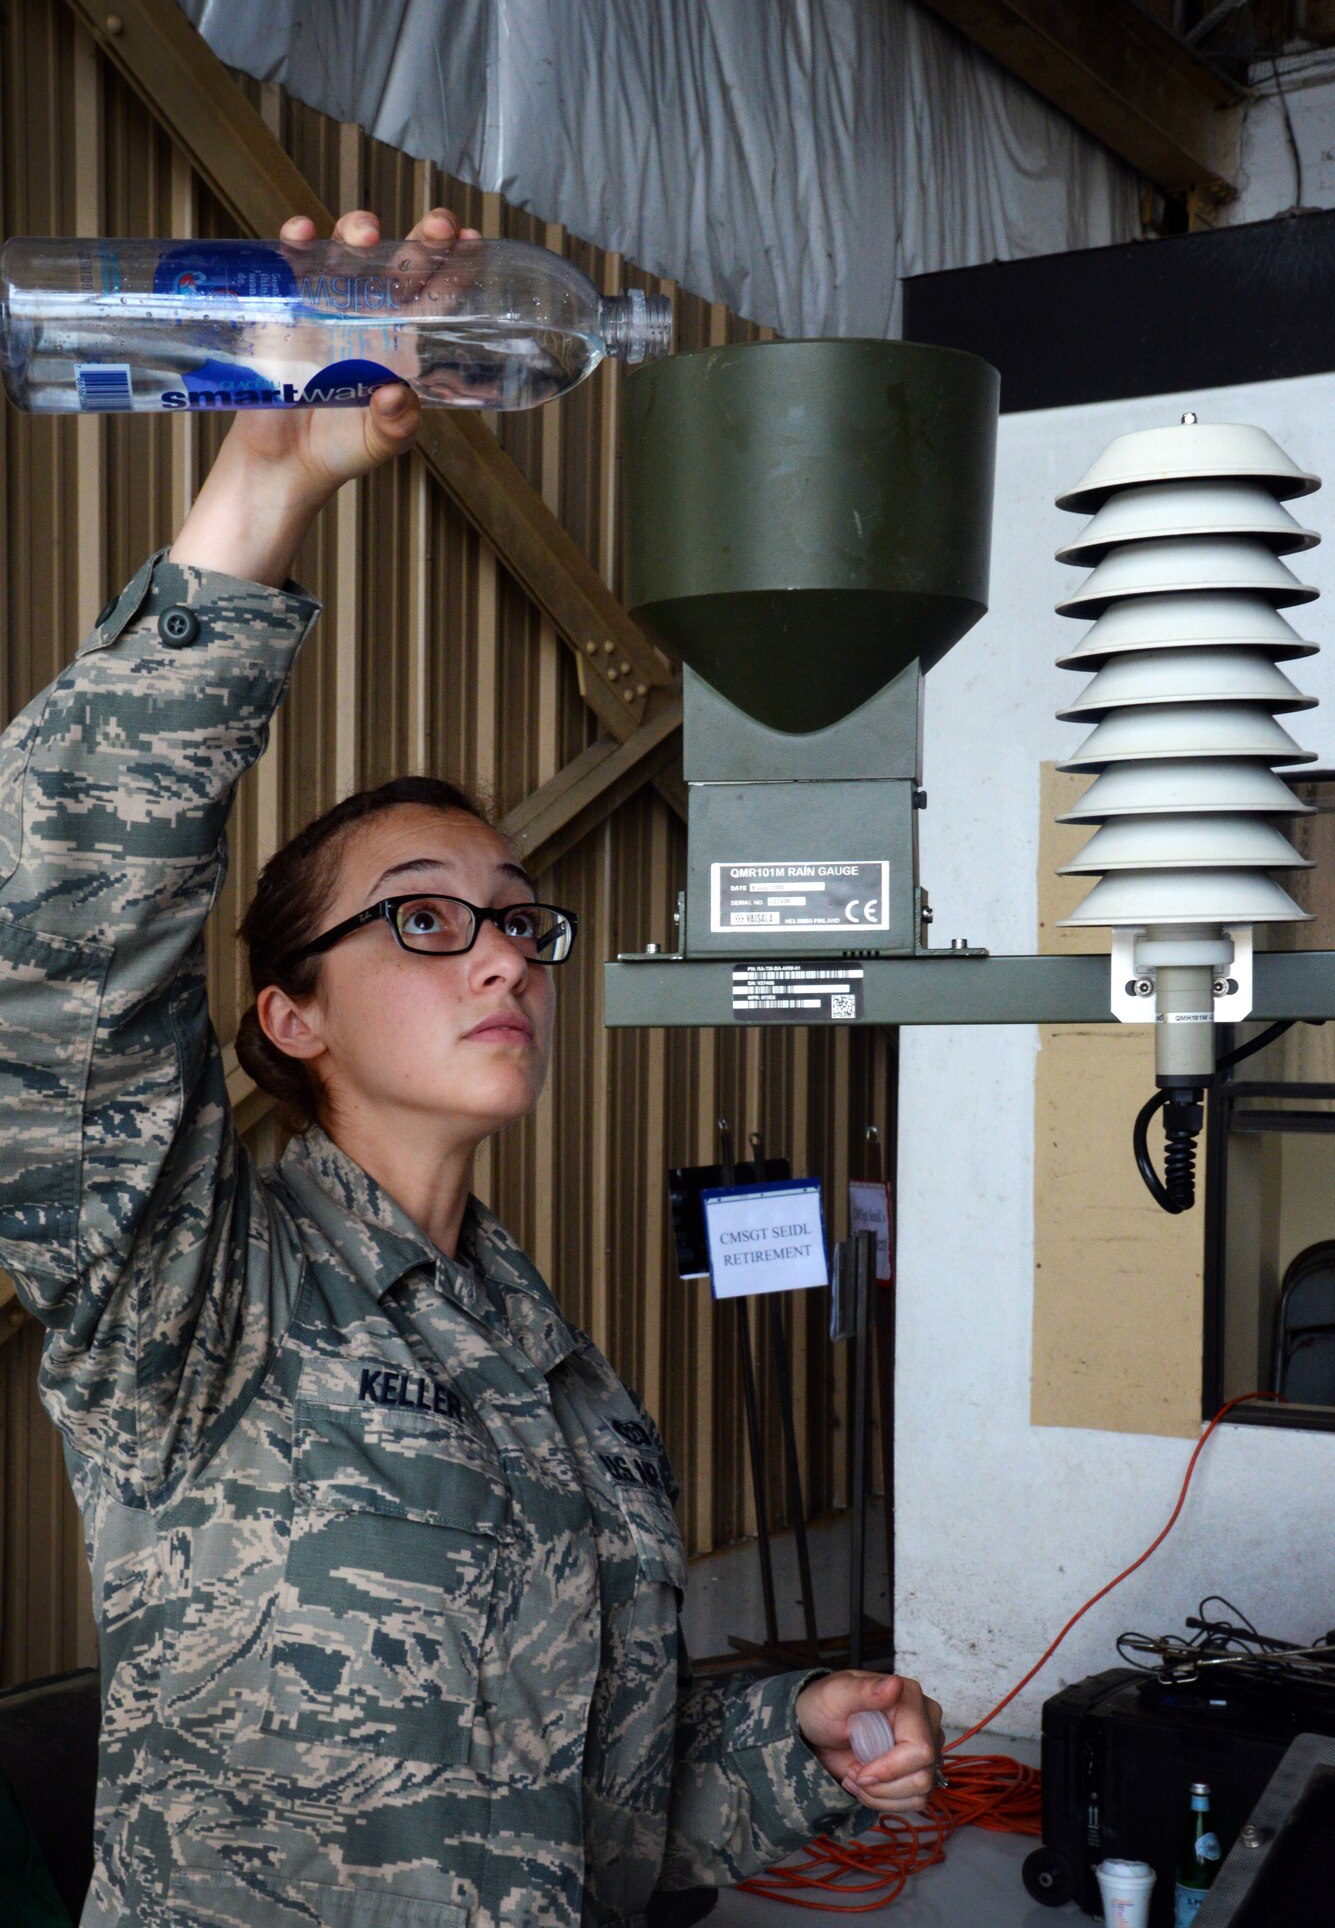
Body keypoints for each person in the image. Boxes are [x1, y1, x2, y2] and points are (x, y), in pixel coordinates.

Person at [0, 205, 942, 1928]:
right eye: (423, 924)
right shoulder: (194, 1300)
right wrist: (265, 491)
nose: (506, 947)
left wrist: (797, 1746)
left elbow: (597, 1812)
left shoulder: (551, 1363)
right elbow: (51, 949)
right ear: (291, 1015)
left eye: (518, 917)